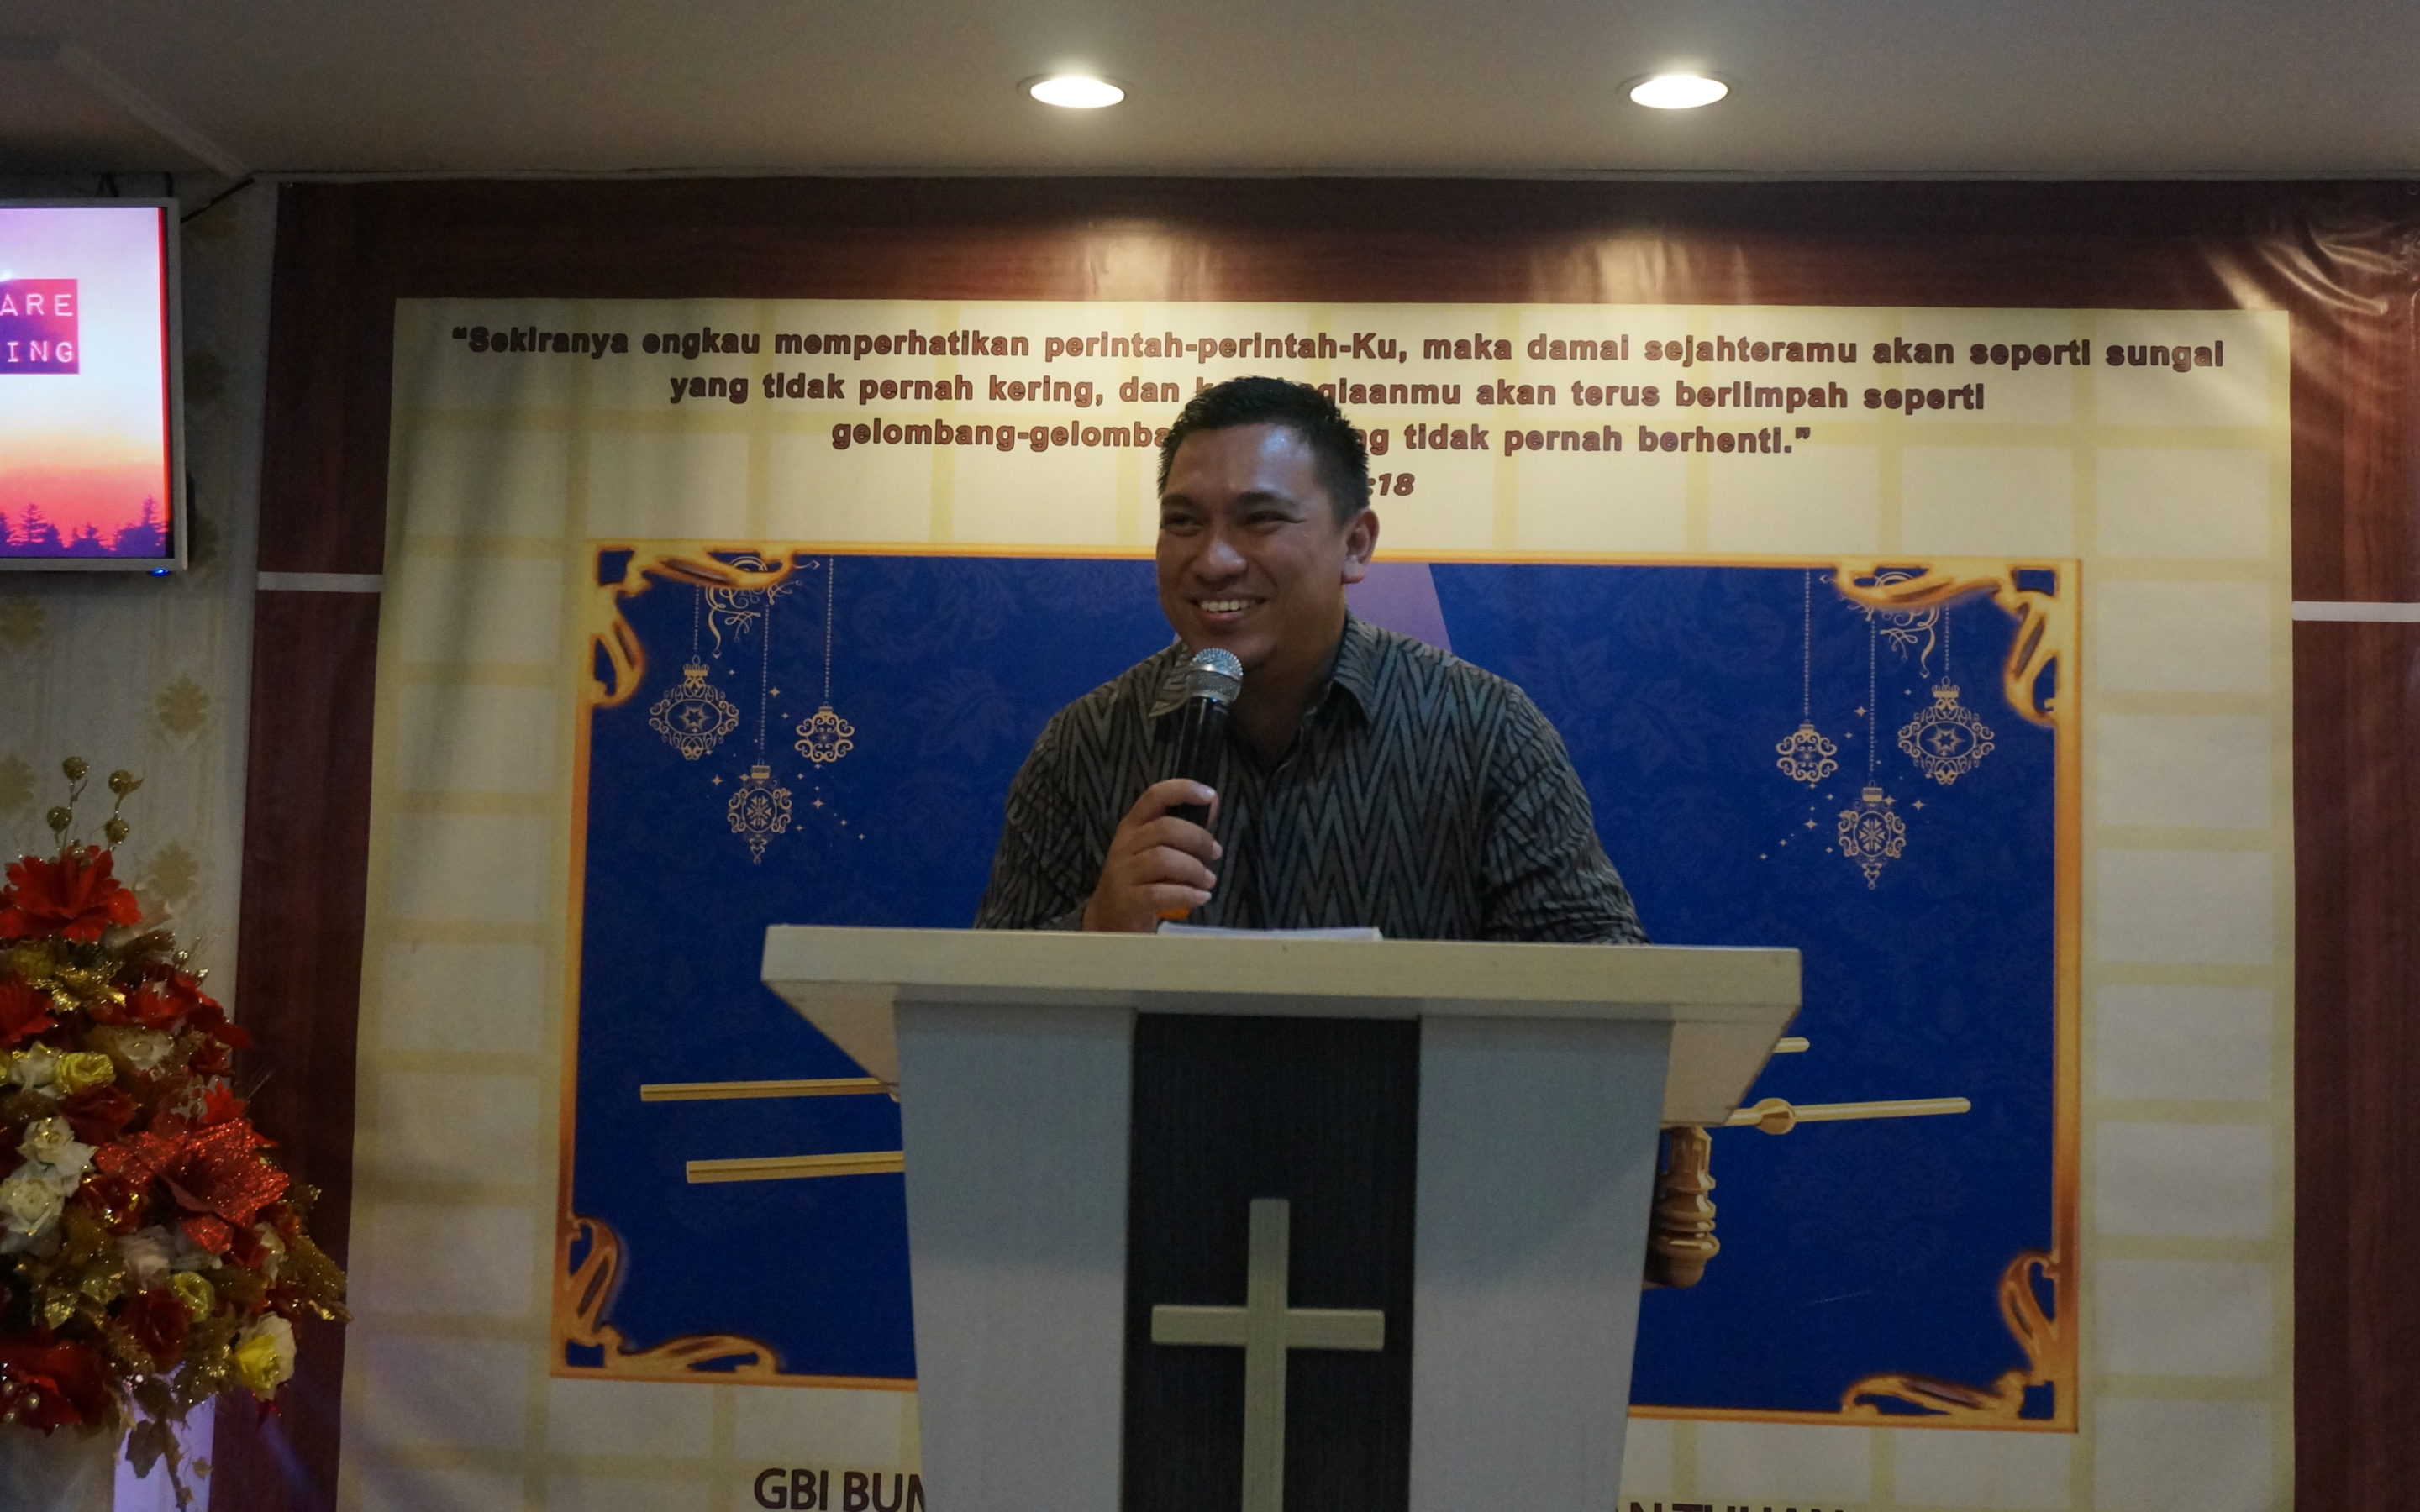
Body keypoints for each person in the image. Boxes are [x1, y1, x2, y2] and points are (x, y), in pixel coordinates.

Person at [973, 375, 1645, 942]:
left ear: (1355, 544)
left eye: (1260, 519)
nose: (1214, 560)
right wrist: (1097, 927)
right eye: (1183, 522)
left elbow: (1603, 983)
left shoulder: (1485, 731)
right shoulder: (1086, 744)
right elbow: (985, 1010)